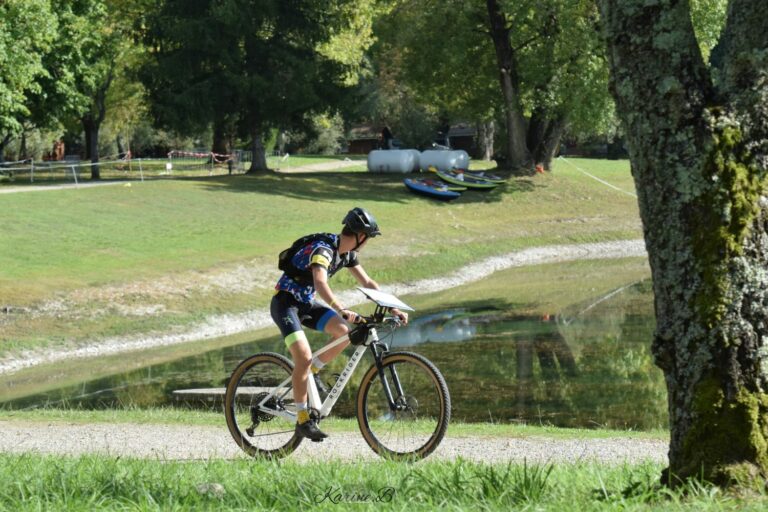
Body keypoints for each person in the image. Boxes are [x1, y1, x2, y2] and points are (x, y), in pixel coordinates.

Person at [270, 207, 409, 441]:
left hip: (305, 303)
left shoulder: (347, 255)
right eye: (368, 239)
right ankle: (303, 418)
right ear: (360, 236)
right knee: (302, 357)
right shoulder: (323, 251)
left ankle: (309, 372)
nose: (367, 243)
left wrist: (393, 307)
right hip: (285, 304)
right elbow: (320, 282)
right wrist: (341, 308)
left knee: (344, 333)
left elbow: (368, 282)